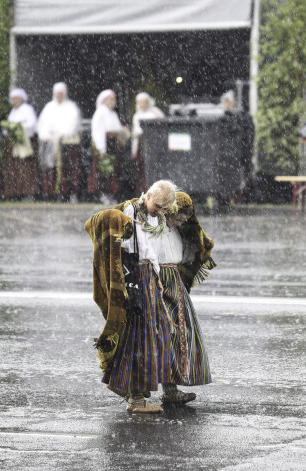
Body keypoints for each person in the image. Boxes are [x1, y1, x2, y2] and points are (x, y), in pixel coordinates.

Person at [85, 180, 177, 413]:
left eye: (164, 209)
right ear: (147, 196)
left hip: (149, 276)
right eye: (157, 205)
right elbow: (122, 249)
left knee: (154, 333)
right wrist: (129, 287)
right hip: (136, 276)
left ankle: (121, 383)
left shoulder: (157, 218)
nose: (159, 211)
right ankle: (135, 397)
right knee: (140, 335)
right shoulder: (130, 211)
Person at [159, 191, 215, 404]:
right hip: (159, 281)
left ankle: (170, 389)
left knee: (179, 335)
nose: (179, 223)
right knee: (164, 335)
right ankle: (139, 391)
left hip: (175, 282)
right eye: (177, 218)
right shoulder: (155, 227)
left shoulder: (178, 231)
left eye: (184, 220)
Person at [37, 82, 82, 201]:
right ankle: (52, 194)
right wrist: (48, 136)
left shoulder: (71, 107)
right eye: (57, 93)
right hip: (50, 144)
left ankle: (68, 193)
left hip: (66, 145)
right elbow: (42, 125)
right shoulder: (49, 107)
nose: (59, 95)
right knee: (51, 170)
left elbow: (73, 124)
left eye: (61, 93)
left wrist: (62, 134)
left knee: (68, 169)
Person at [90, 89, 129, 204]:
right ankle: (103, 194)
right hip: (105, 144)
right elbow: (98, 132)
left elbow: (116, 129)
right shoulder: (100, 113)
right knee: (105, 170)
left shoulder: (112, 113)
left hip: (112, 144)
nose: (114, 102)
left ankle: (111, 193)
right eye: (112, 99)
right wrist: (101, 149)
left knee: (113, 170)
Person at [219, 90, 254, 207]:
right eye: (225, 103)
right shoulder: (225, 118)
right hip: (232, 154)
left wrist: (245, 149)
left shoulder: (241, 118)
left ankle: (238, 198)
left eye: (228, 103)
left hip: (239, 154)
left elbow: (248, 136)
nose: (226, 106)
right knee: (235, 177)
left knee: (240, 177)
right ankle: (231, 199)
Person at [3, 88, 39, 199]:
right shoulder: (13, 112)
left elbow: (32, 123)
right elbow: (8, 126)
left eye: (16, 99)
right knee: (15, 169)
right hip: (15, 145)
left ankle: (29, 192)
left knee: (27, 168)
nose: (14, 101)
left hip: (26, 143)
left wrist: (20, 127)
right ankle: (16, 192)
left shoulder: (28, 109)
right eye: (13, 99)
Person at [131, 92, 165, 194]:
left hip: (154, 146)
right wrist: (133, 151)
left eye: (144, 102)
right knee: (142, 171)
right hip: (142, 146)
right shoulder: (136, 116)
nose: (142, 105)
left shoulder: (156, 113)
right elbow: (135, 134)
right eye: (140, 102)